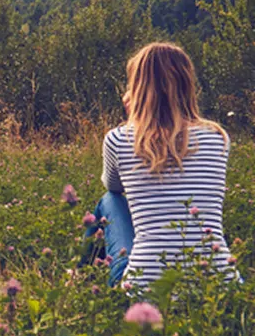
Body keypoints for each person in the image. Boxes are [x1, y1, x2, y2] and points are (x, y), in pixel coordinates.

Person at [82, 41, 233, 291]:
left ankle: (81, 276)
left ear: (137, 89)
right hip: (219, 286)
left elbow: (113, 186)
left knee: (108, 200)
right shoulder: (218, 136)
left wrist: (134, 119)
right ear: (187, 85)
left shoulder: (119, 139)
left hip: (144, 289)